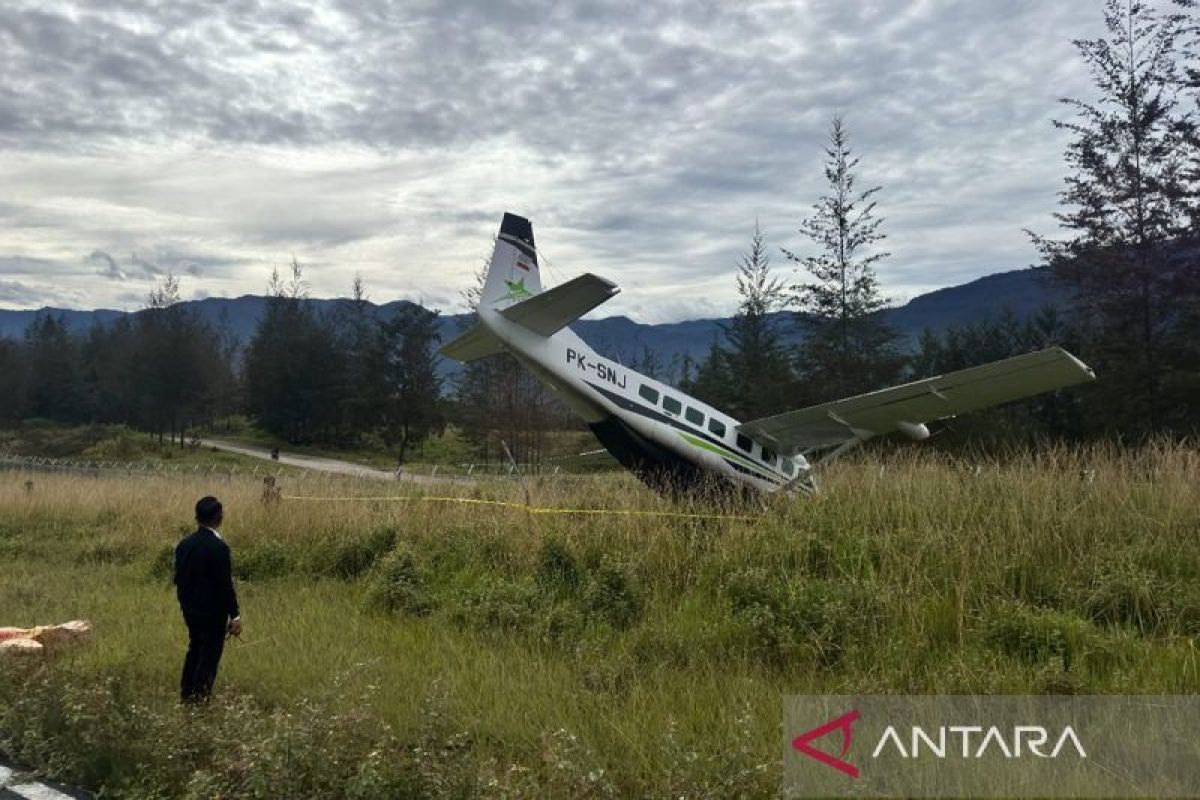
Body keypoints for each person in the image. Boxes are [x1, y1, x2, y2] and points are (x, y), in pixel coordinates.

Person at [174, 496, 242, 703]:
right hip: (213, 613)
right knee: (209, 656)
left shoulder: (184, 545)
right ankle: (200, 699)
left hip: (191, 611)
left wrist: (185, 605)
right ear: (219, 518)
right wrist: (235, 615)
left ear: (196, 518)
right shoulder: (219, 548)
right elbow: (225, 585)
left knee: (194, 649)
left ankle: (186, 694)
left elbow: (179, 579)